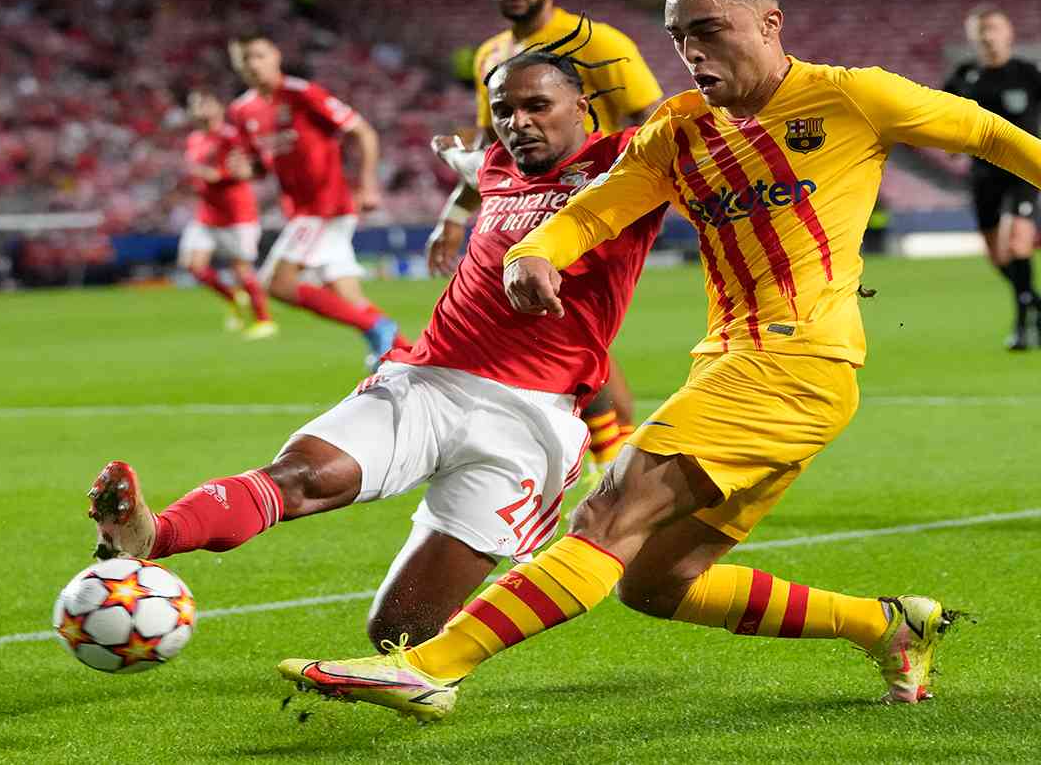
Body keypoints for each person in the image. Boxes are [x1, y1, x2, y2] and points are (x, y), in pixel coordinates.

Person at [280, 0, 1041, 721]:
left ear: (770, 22)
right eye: (680, 36)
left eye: (709, 30)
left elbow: (986, 130)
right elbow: (595, 209)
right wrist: (534, 253)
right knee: (655, 583)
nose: (692, 51)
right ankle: (889, 625)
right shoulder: (680, 129)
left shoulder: (852, 98)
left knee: (608, 514)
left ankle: (429, 668)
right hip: (741, 366)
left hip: (798, 362)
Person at [88, 45, 667, 648]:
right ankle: (153, 535)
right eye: (503, 110)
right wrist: (451, 218)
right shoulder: (500, 160)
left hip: (527, 420)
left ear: (582, 107)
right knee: (303, 477)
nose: (518, 122)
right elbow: (474, 171)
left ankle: (433, 671)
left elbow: (713, 150)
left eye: (537, 106)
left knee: (397, 630)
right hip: (428, 380)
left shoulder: (631, 160)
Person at [427, 0, 666, 474]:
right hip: (525, 211)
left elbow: (656, 123)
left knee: (568, 337)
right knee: (570, 340)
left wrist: (626, 191)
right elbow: (495, 151)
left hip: (594, 210)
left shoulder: (600, 43)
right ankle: (611, 468)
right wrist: (456, 214)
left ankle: (607, 468)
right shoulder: (491, 55)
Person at [226, 34, 408, 366]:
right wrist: (245, 171)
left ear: (276, 55)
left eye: (258, 55)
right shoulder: (241, 111)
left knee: (277, 283)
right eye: (243, 59)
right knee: (349, 298)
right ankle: (412, 358)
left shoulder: (302, 94)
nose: (252, 64)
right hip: (300, 211)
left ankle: (376, 327)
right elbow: (259, 166)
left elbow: (363, 132)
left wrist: (368, 186)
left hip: (325, 207)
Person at [943, 4, 1041, 350]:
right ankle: (1040, 303)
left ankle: (1023, 326)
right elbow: (942, 113)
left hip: (1024, 169)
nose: (987, 36)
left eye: (993, 28)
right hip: (983, 172)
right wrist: (948, 140)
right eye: (980, 30)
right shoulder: (964, 75)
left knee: (1019, 244)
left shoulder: (1029, 71)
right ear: (971, 36)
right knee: (997, 255)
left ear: (1008, 32)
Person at [176, 89, 277, 340]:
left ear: (219, 107)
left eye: (204, 102)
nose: (199, 109)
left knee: (241, 269)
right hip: (207, 214)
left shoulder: (231, 137)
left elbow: (244, 170)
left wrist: (210, 175)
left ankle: (264, 320)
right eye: (195, 104)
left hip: (236, 214)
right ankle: (233, 297)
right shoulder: (194, 138)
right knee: (193, 266)